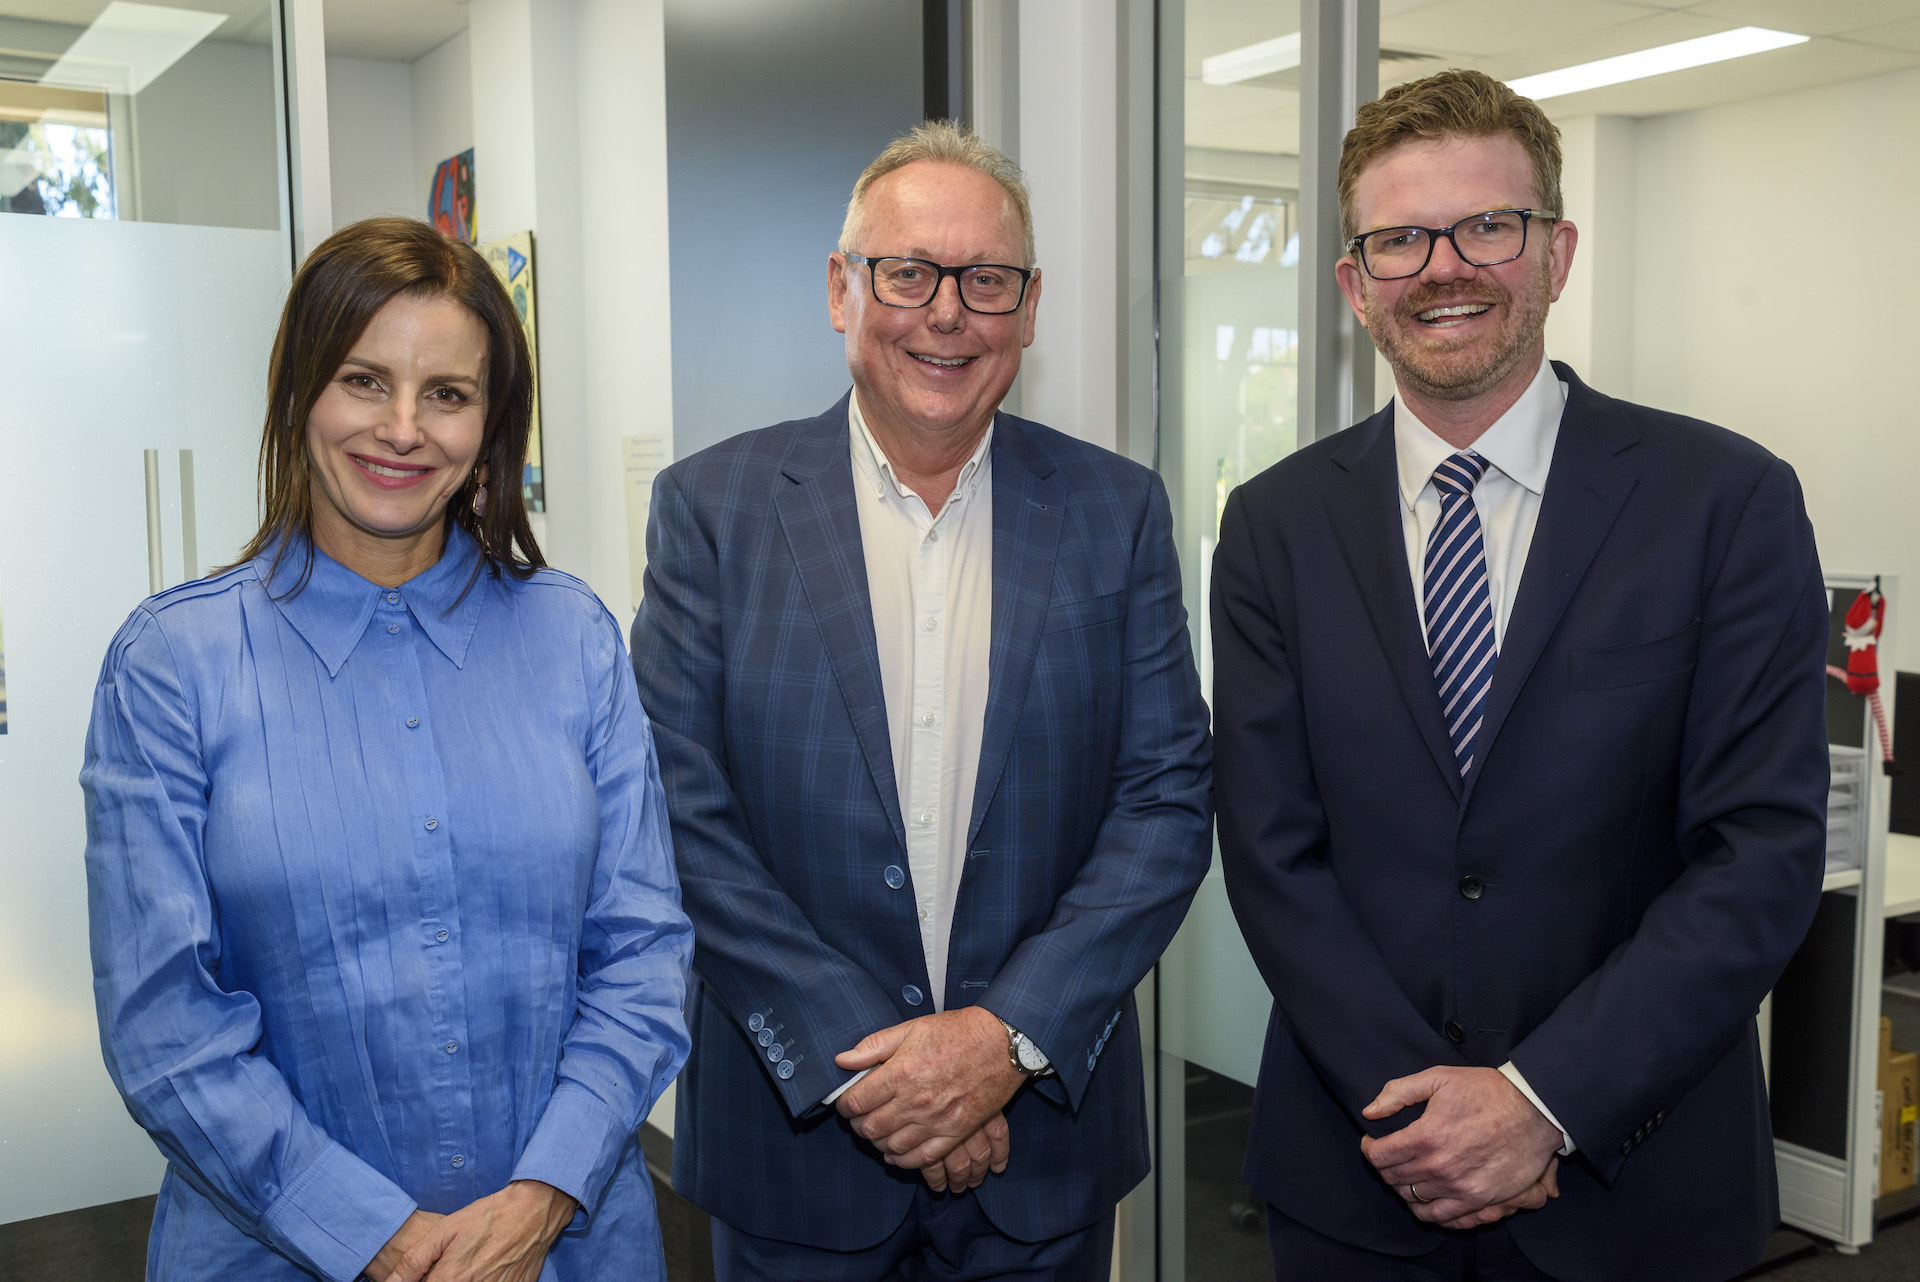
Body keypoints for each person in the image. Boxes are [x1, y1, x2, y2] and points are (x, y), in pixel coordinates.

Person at [1212, 69, 1829, 1282]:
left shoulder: (1725, 502)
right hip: (1359, 1181)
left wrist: (1543, 1101)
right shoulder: (1273, 524)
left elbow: (1759, 850)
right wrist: (1425, 1121)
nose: (1445, 267)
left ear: (1557, 251)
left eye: (1488, 225)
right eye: (1400, 239)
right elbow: (1273, 850)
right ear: (1354, 283)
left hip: (1634, 1183)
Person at [631, 120, 1213, 1279]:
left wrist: (1001, 1045)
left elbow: (1165, 803)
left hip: (1041, 1145)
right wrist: (885, 1074)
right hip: (795, 1149)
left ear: (1030, 307)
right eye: (907, 273)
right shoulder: (713, 509)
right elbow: (679, 812)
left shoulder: (1117, 511)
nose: (946, 313)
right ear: (843, 291)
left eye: (985, 280)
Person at [82, 217, 692, 1282]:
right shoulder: (172, 663)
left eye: (447, 394)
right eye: (365, 380)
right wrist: (385, 1240)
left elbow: (641, 954)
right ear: (299, 392)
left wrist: (540, 1202)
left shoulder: (573, 637)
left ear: (491, 423)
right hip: (272, 1254)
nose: (403, 429)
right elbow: (167, 1028)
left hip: (567, 1249)